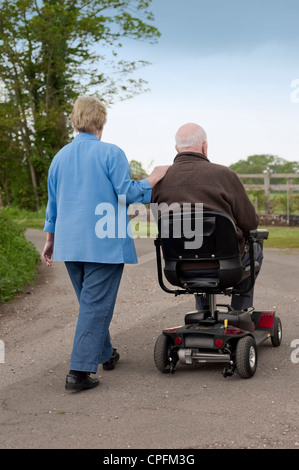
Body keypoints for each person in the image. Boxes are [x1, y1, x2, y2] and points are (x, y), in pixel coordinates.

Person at [42, 96, 169, 391]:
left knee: (91, 305)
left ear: (76, 120)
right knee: (95, 306)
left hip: (69, 244)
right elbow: (128, 194)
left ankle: (104, 353)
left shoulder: (59, 157)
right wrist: (153, 178)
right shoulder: (111, 153)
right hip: (104, 243)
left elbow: (53, 204)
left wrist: (50, 239)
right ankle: (79, 372)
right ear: (101, 121)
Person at [151, 122, 262, 311]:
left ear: (177, 148)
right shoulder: (225, 175)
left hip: (178, 268)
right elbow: (250, 223)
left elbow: (163, 225)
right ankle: (240, 311)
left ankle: (203, 312)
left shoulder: (159, 180)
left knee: (189, 247)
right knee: (255, 246)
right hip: (226, 267)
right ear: (205, 146)